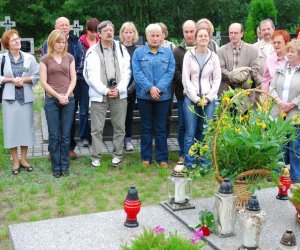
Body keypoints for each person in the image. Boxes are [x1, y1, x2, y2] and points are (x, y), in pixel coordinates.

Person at [84, 20, 131, 168]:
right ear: (99, 34)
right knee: (97, 129)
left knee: (119, 127)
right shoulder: (92, 51)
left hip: (119, 93)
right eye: (105, 31)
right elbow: (90, 76)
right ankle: (96, 157)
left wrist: (120, 88)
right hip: (99, 95)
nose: (109, 33)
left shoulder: (121, 49)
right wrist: (105, 90)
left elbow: (127, 71)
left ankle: (117, 155)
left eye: (111, 30)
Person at [132, 23, 175, 168]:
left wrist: (159, 88)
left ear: (162, 36)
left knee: (161, 127)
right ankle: (146, 157)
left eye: (158, 35)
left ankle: (162, 157)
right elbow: (137, 73)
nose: (155, 38)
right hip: (144, 96)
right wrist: (150, 88)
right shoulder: (138, 53)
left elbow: (170, 72)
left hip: (163, 97)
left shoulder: (168, 53)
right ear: (147, 36)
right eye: (152, 35)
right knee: (146, 126)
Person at [42, 17, 84, 159]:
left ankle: (69, 148)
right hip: (52, 89)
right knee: (54, 123)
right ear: (55, 26)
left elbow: (80, 60)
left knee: (70, 121)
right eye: (61, 25)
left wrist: (70, 79)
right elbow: (45, 64)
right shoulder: (47, 43)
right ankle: (52, 150)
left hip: (71, 88)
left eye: (67, 25)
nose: (64, 27)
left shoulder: (75, 42)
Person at [0, 29, 39, 175]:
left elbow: (36, 76)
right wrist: (11, 80)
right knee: (11, 129)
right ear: (7, 44)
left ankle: (23, 159)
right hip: (9, 98)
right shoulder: (2, 58)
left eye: (18, 39)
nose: (18, 41)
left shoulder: (29, 58)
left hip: (25, 98)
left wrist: (24, 80)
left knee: (25, 129)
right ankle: (15, 160)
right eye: (14, 40)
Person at [182, 28, 221, 168]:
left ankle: (205, 162)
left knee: (206, 131)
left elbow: (217, 80)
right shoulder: (189, 55)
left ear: (209, 38)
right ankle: (190, 162)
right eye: (200, 36)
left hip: (208, 98)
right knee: (190, 131)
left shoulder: (213, 56)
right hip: (191, 98)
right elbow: (186, 79)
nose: (203, 38)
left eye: (205, 36)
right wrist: (195, 98)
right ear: (196, 38)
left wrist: (209, 98)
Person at [40, 30, 76, 178]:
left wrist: (66, 95)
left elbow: (73, 79)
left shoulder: (70, 57)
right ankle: (56, 166)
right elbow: (43, 82)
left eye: (63, 42)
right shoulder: (44, 59)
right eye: (58, 42)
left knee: (66, 135)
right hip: (51, 100)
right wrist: (57, 96)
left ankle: (65, 165)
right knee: (54, 135)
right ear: (52, 42)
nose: (61, 45)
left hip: (68, 99)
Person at [269, 39, 300, 182]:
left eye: (292, 52)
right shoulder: (281, 68)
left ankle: (296, 177)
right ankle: (276, 174)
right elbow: (272, 87)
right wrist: (280, 102)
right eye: (288, 51)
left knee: (294, 147)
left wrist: (292, 104)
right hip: (279, 112)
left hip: (295, 114)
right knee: (279, 145)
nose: (289, 54)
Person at [173, 20, 197, 162]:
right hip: (183, 95)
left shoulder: (203, 49)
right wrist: (189, 85)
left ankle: (197, 151)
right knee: (183, 124)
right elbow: (175, 73)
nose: (189, 34)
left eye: (191, 31)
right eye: (186, 32)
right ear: (183, 33)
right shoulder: (177, 51)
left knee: (198, 126)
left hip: (201, 96)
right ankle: (183, 152)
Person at [217, 23, 261, 96]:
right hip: (226, 92)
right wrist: (236, 76)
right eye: (231, 33)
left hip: (245, 92)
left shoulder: (252, 50)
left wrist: (241, 77)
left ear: (242, 34)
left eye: (236, 33)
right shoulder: (221, 51)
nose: (233, 35)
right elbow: (220, 69)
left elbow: (255, 69)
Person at [78, 18, 100, 147]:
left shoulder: (101, 42)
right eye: (92, 31)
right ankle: (85, 137)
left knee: (97, 110)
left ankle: (97, 136)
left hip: (99, 81)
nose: (94, 34)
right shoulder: (80, 43)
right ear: (87, 30)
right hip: (84, 81)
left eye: (96, 31)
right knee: (84, 110)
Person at [119, 21, 139, 151]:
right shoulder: (117, 49)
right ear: (122, 34)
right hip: (118, 89)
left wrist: (130, 89)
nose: (128, 35)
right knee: (118, 116)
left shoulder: (138, 51)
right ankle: (118, 140)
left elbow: (138, 72)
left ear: (134, 34)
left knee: (129, 115)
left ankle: (128, 140)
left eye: (131, 32)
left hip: (132, 89)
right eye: (126, 32)